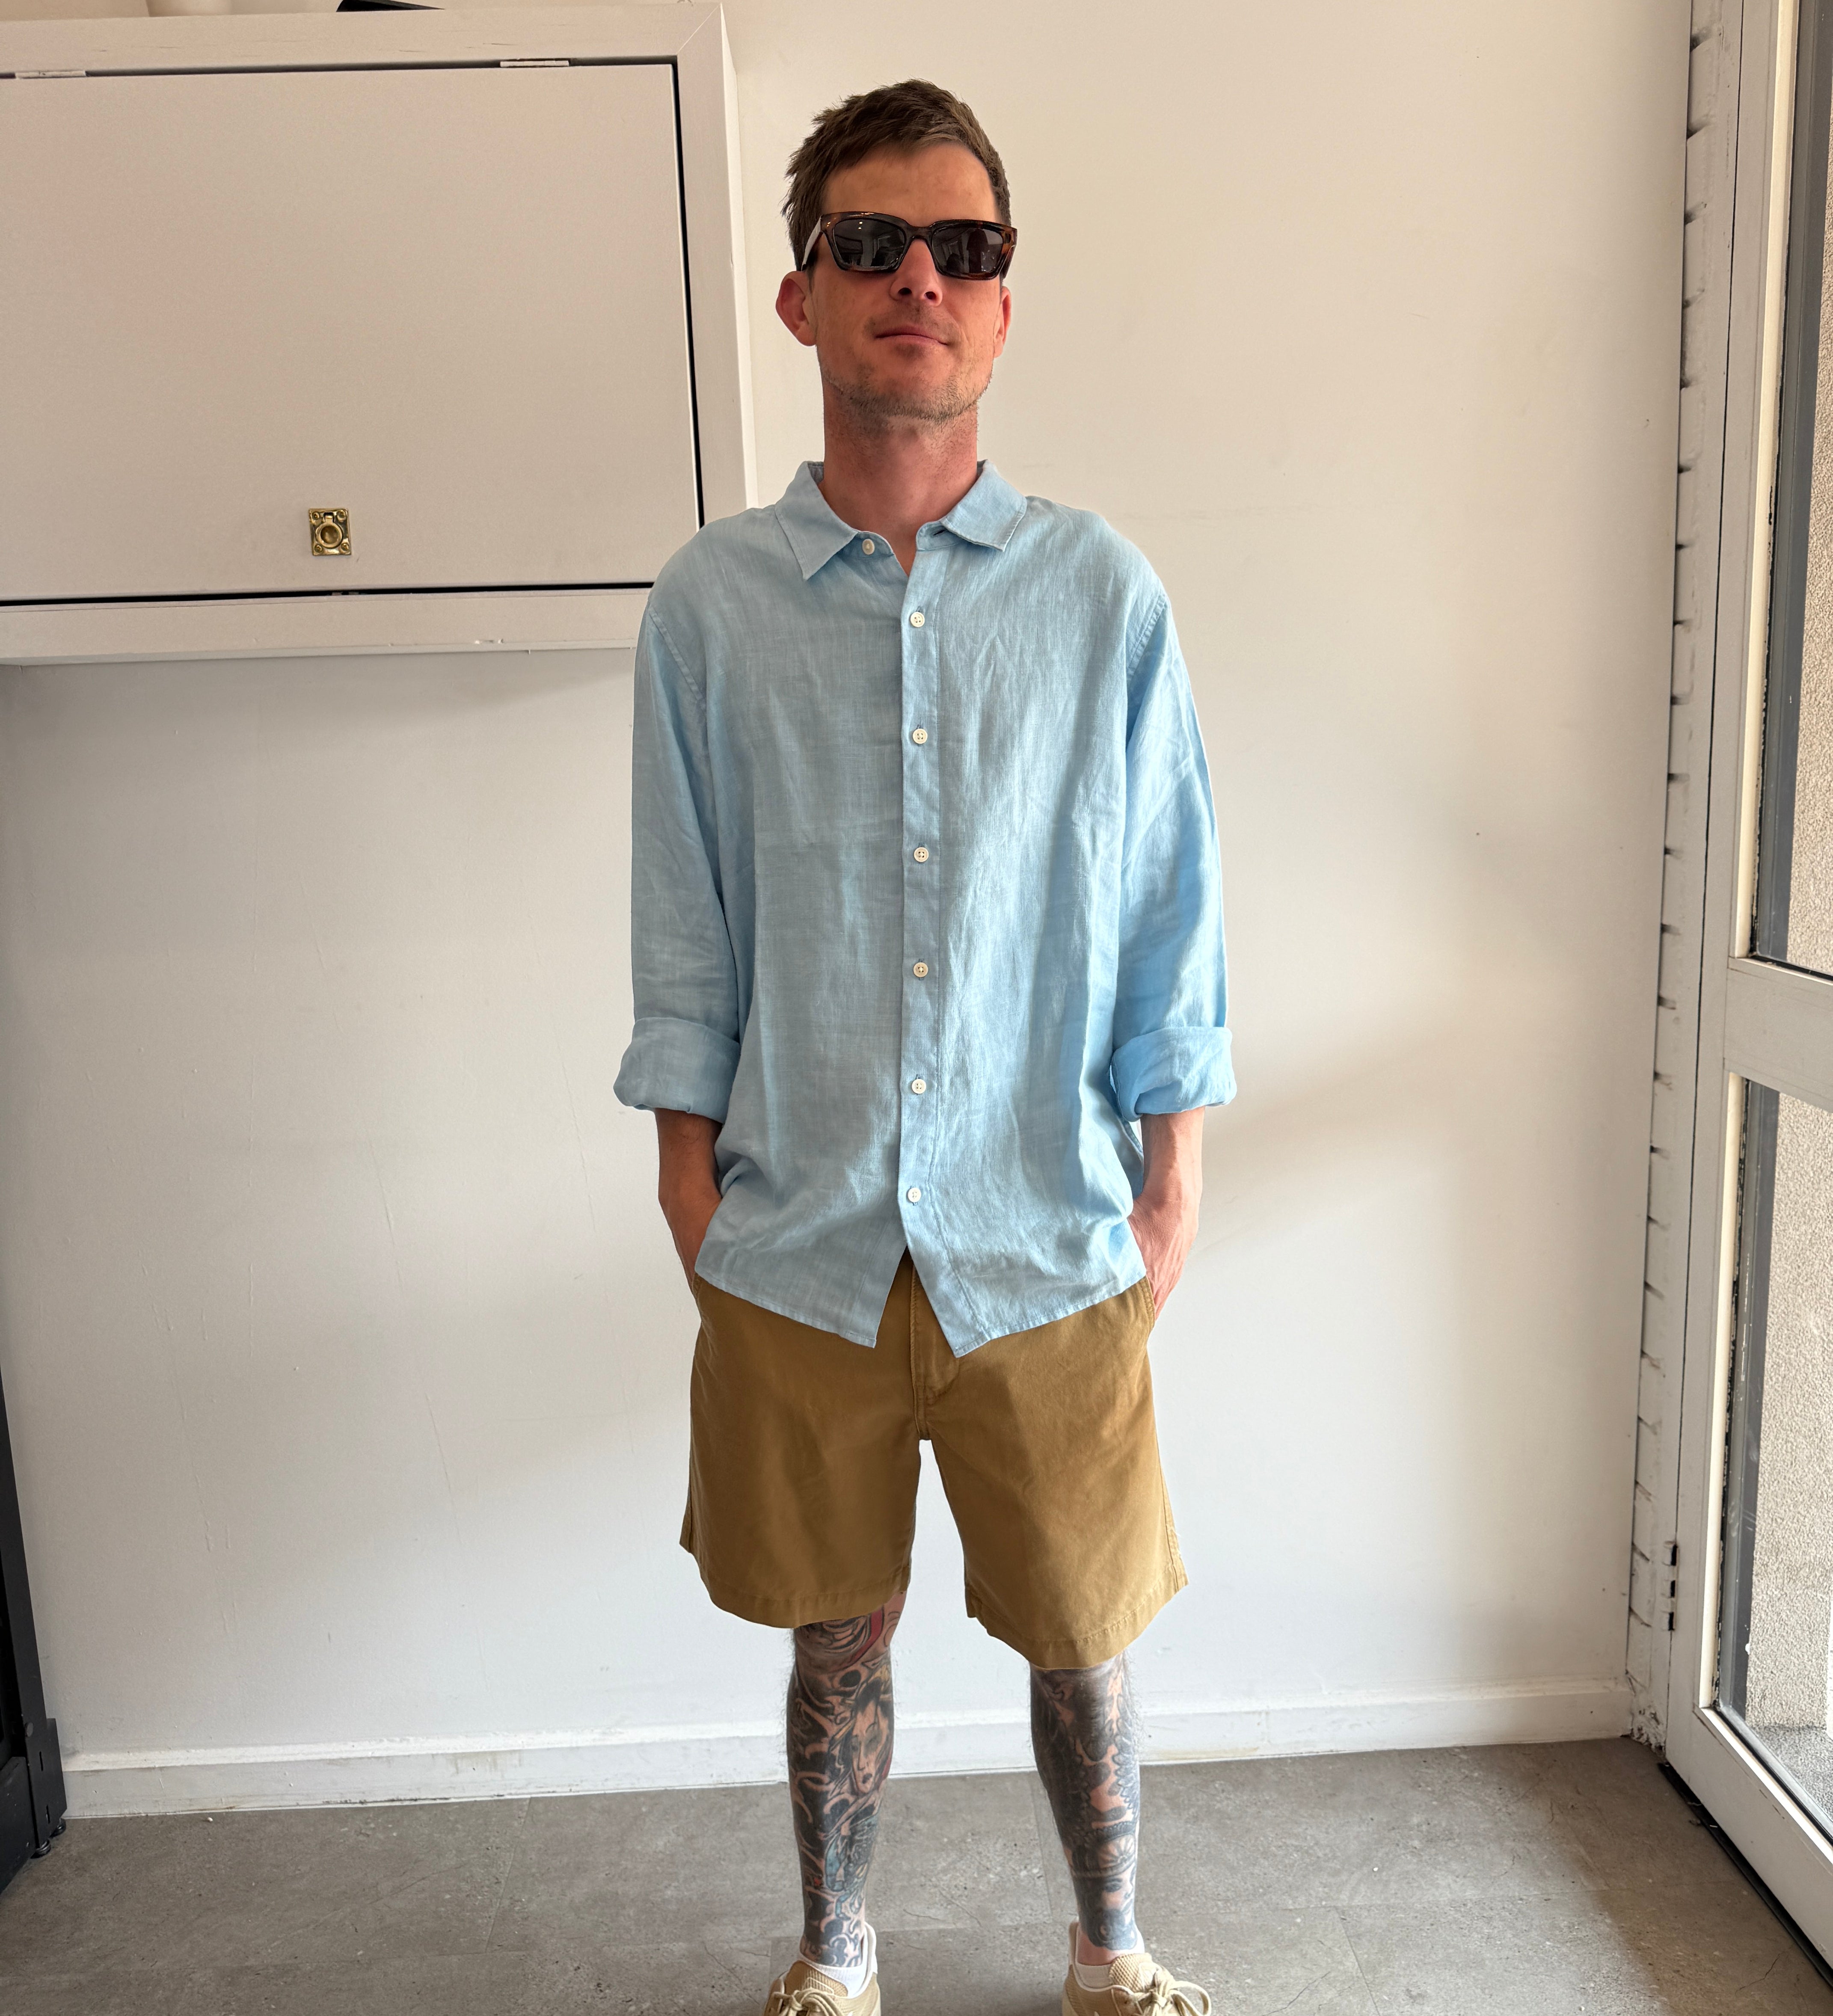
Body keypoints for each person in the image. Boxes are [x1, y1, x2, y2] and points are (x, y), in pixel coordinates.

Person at [614, 77, 1232, 2016]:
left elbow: (1171, 905)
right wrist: (692, 1185)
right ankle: (838, 1950)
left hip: (1046, 1227)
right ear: (801, 295)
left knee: (1084, 1626)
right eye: (870, 241)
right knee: (835, 1629)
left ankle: (1111, 1945)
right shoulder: (710, 606)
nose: (919, 279)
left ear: (1003, 304)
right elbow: (683, 912)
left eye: (964, 248)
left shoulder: (1099, 594)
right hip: (797, 1233)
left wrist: (1171, 1184)